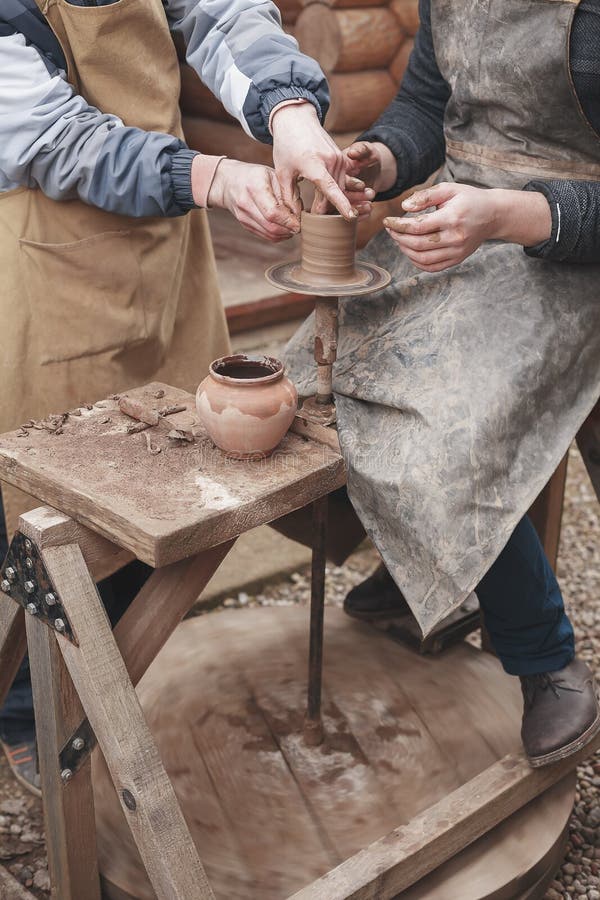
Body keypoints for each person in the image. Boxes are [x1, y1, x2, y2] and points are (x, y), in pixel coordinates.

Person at [0, 0, 364, 793]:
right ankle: (29, 708)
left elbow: (222, 13)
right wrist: (215, 176)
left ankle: (124, 683)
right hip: (49, 246)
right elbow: (55, 138)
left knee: (164, 488)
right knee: (52, 512)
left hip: (167, 243)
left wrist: (290, 113)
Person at [286, 0, 600, 767]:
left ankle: (544, 657)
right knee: (303, 389)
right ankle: (422, 564)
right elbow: (432, 103)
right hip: (463, 219)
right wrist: (382, 159)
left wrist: (507, 215)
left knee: (436, 428)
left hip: (571, 247)